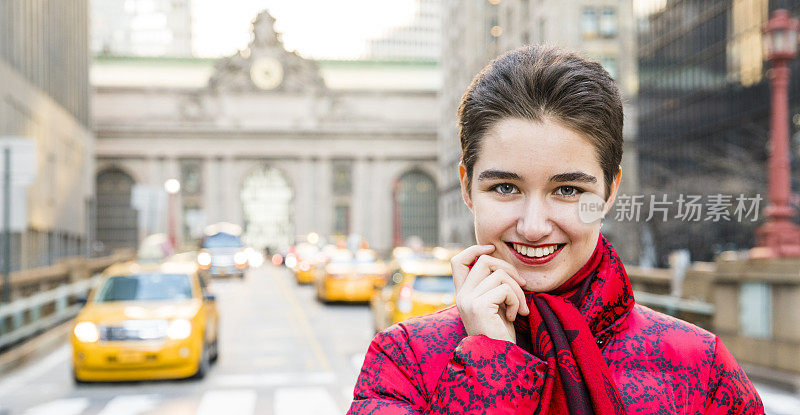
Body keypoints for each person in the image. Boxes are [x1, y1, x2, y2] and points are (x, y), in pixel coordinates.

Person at [348, 45, 763, 414]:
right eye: (505, 187)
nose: (533, 227)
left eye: (566, 189)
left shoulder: (698, 365)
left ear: (610, 191)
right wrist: (491, 366)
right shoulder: (404, 361)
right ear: (466, 187)